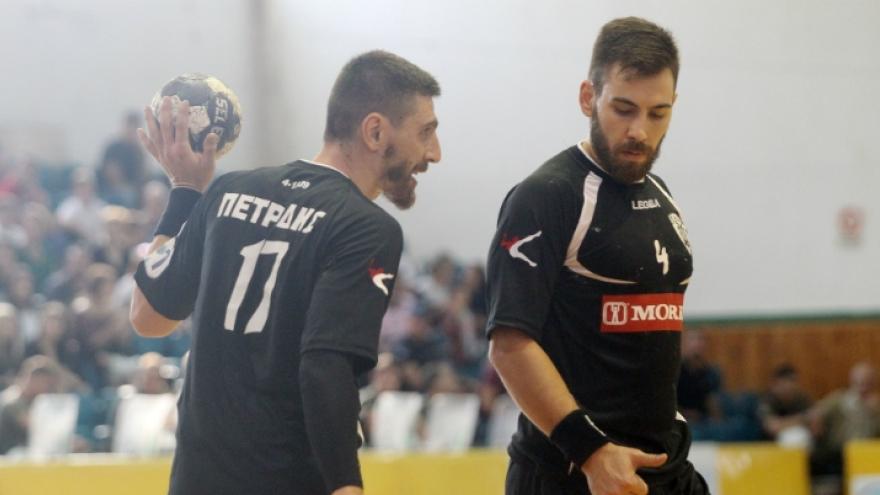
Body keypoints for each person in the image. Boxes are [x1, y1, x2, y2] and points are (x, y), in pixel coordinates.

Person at [129, 50, 441, 495]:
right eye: (425, 132)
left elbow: (147, 317)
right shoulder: (366, 227)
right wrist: (347, 486)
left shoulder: (226, 192)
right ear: (374, 131)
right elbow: (325, 365)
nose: (434, 152)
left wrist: (184, 192)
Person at [486, 17, 707, 495]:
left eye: (658, 113)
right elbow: (509, 346)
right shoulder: (547, 195)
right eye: (623, 109)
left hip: (664, 468)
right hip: (574, 473)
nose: (639, 131)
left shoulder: (660, 192)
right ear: (589, 97)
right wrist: (592, 453)